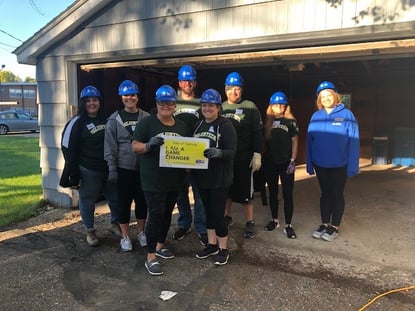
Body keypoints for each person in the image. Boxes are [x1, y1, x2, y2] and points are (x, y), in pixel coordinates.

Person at [132, 85, 189, 276]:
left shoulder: (181, 125)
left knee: (166, 214)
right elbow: (135, 146)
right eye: (162, 102)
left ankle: (160, 245)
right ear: (156, 104)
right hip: (153, 179)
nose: (165, 106)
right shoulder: (147, 124)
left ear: (175, 105)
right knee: (155, 214)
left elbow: (189, 150)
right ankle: (150, 256)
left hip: (174, 179)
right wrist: (148, 145)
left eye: (169, 102)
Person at [59, 85, 118, 246]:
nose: (92, 103)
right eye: (88, 101)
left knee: (115, 198)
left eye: (95, 100)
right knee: (87, 200)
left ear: (100, 102)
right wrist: (73, 171)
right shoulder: (76, 122)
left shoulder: (107, 120)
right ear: (83, 103)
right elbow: (67, 147)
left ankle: (115, 224)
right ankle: (90, 231)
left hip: (108, 167)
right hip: (88, 169)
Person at [307, 81, 360, 242]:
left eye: (329, 95)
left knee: (337, 194)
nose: (326, 98)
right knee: (325, 194)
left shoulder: (347, 115)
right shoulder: (316, 116)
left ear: (335, 96)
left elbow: (354, 141)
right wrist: (309, 163)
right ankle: (324, 223)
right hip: (320, 164)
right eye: (323, 96)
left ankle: (334, 227)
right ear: (319, 99)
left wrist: (352, 166)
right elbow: (310, 141)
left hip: (339, 165)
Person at [104, 80, 150, 252]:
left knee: (142, 202)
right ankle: (125, 236)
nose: (129, 98)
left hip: (143, 169)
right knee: (123, 203)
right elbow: (109, 146)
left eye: (132, 95)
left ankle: (141, 232)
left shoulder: (146, 117)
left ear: (137, 97)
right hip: (123, 169)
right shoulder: (114, 120)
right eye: (126, 95)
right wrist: (112, 168)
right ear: (121, 98)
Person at [192, 89, 237, 266]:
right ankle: (212, 244)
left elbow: (232, 152)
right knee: (208, 213)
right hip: (202, 177)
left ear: (218, 107)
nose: (207, 108)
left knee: (218, 214)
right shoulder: (198, 125)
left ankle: (223, 248)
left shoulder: (225, 125)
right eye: (204, 105)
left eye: (211, 105)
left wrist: (219, 153)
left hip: (219, 178)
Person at [221, 72, 264, 239]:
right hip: (226, 158)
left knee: (246, 193)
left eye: (237, 89)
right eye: (231, 89)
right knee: (227, 191)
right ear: (225, 90)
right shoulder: (221, 107)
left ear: (242, 90)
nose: (234, 92)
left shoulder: (250, 106)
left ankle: (250, 221)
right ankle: (227, 217)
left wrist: (257, 153)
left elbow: (257, 132)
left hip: (244, 158)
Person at [173, 65, 207, 246]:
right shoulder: (172, 102)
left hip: (197, 154)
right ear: (180, 82)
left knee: (199, 194)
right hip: (177, 155)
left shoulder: (202, 103)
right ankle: (184, 224)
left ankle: (201, 228)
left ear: (195, 82)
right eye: (185, 80)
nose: (188, 83)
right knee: (180, 193)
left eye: (191, 80)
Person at [263, 91, 299, 239]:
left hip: (286, 163)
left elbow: (295, 141)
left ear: (285, 106)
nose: (279, 107)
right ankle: (275, 220)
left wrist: (293, 160)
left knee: (287, 194)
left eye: (282, 105)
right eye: (276, 105)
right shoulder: (268, 123)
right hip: (270, 162)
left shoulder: (290, 121)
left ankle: (288, 225)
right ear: (271, 106)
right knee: (272, 192)